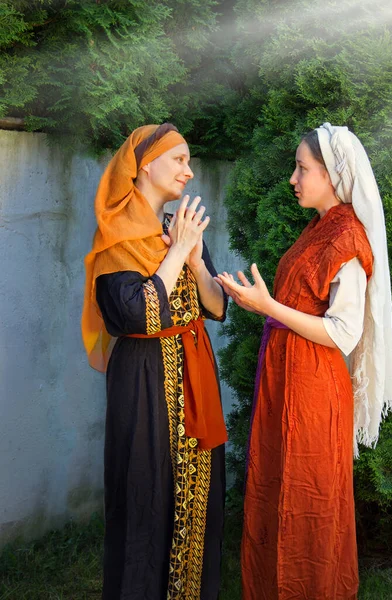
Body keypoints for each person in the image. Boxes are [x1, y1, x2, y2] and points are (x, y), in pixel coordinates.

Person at [216, 123, 392, 600]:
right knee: (278, 491)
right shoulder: (320, 227)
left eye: (302, 168)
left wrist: (267, 306)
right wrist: (253, 298)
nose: (293, 178)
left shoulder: (347, 239)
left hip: (314, 391)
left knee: (310, 503)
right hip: (287, 382)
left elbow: (343, 332)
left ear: (333, 175)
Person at [81, 123, 228, 600]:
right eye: (179, 160)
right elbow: (134, 315)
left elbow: (216, 307)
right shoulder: (117, 235)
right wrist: (179, 251)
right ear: (146, 166)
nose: (189, 170)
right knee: (145, 498)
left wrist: (196, 260)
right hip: (143, 384)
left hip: (194, 381)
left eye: (189, 161)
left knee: (195, 502)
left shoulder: (176, 227)